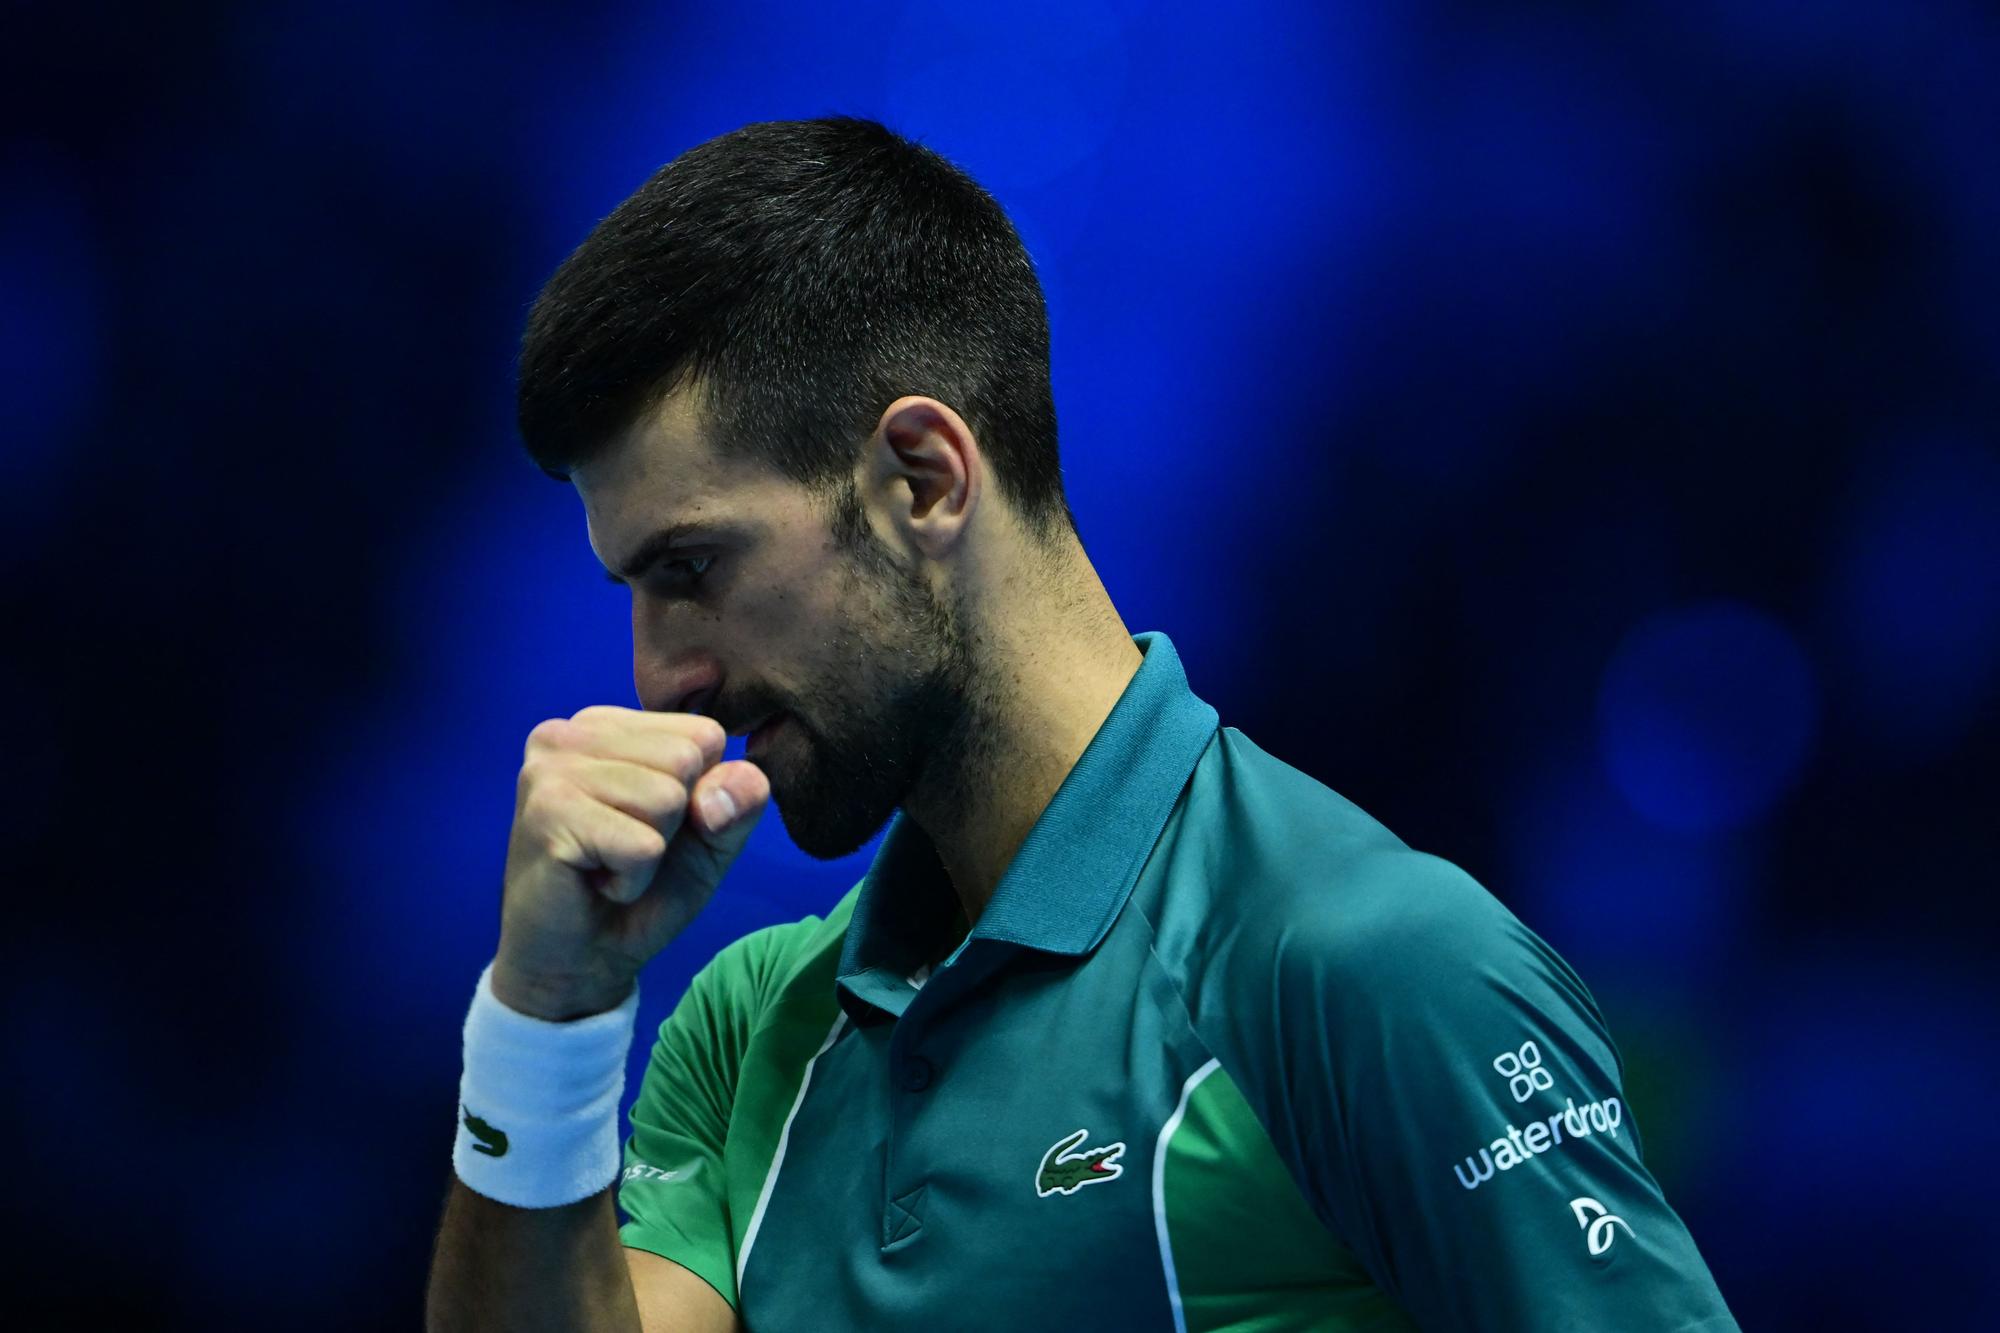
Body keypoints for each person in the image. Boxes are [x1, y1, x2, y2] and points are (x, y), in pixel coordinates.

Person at [425, 115, 1739, 1332]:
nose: (664, 679)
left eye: (694, 569)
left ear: (923, 480)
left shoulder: (1360, 964)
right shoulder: (746, 1025)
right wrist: (546, 1008)